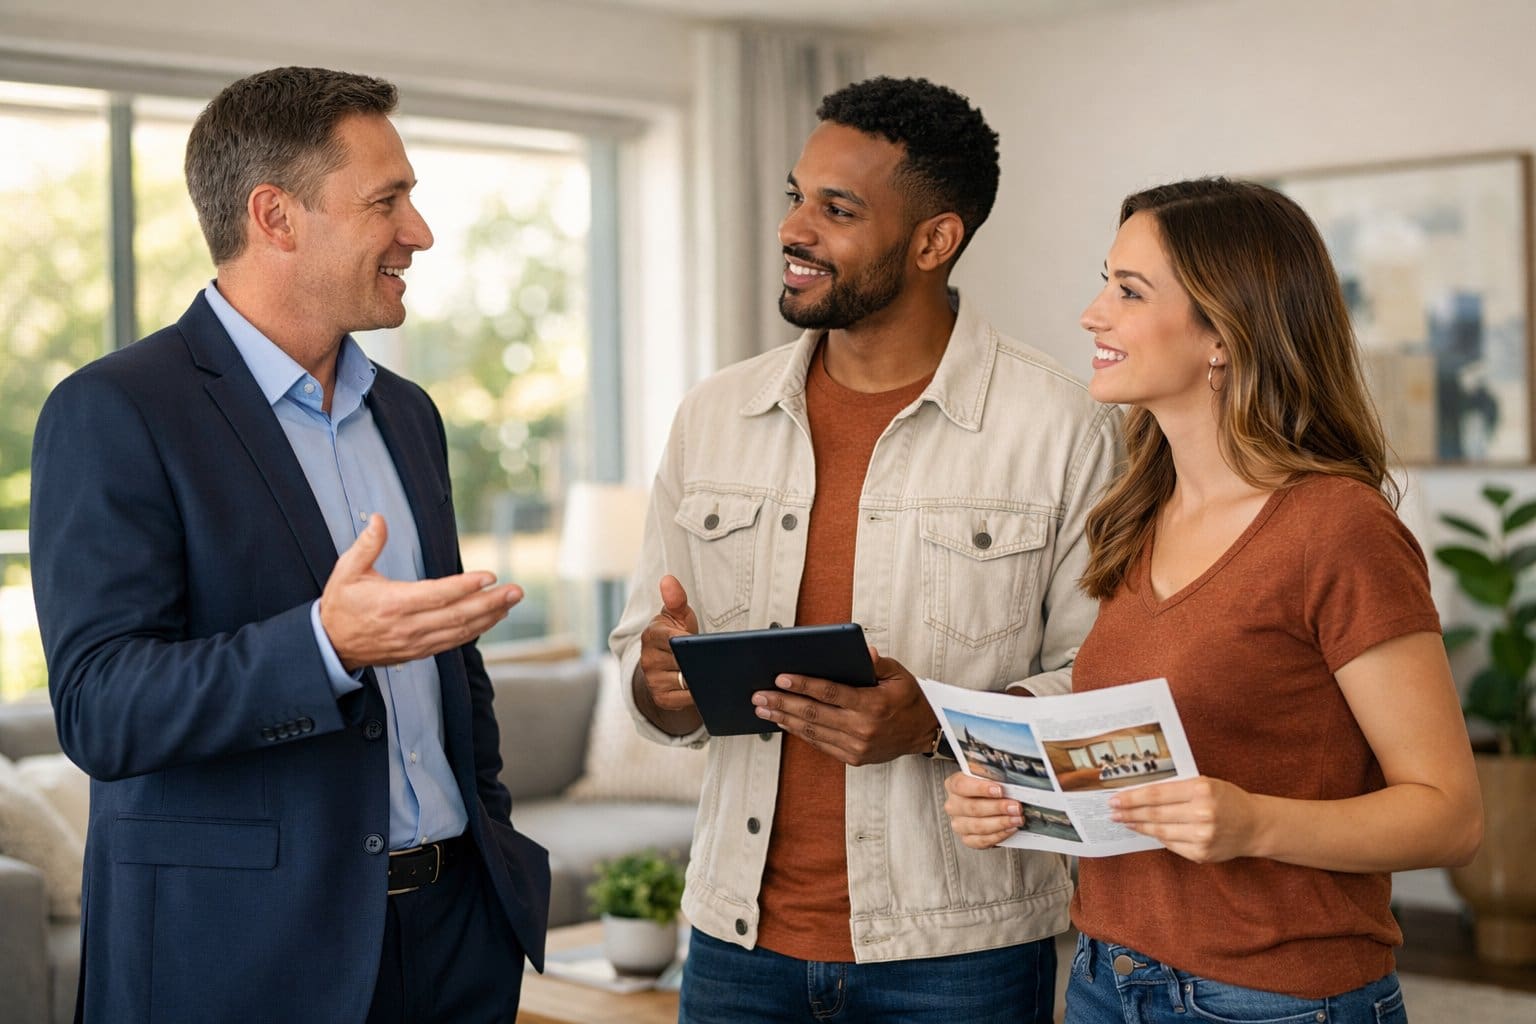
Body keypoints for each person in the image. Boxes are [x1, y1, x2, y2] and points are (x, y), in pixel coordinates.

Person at [29, 66, 550, 1024]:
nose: (419, 233)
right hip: (243, 956)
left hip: (455, 940)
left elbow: (451, 679)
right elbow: (101, 709)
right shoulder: (114, 411)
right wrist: (325, 646)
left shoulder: (409, 414)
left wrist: (491, 849)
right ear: (276, 216)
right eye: (387, 202)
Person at [609, 76, 1122, 1024]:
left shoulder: (1061, 428)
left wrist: (935, 724)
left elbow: (1100, 690)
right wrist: (659, 679)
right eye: (795, 197)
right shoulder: (714, 416)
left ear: (935, 241)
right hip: (734, 942)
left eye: (835, 209)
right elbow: (649, 675)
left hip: (959, 952)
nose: (794, 229)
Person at [943, 178, 1483, 1023]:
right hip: (1103, 976)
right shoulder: (1136, 516)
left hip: (1274, 1001)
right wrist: (1020, 800)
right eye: (1105, 282)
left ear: (1223, 336)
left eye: (1128, 291)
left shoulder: (1337, 528)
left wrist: (1254, 824)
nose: (1092, 314)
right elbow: (1132, 763)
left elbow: (1448, 817)